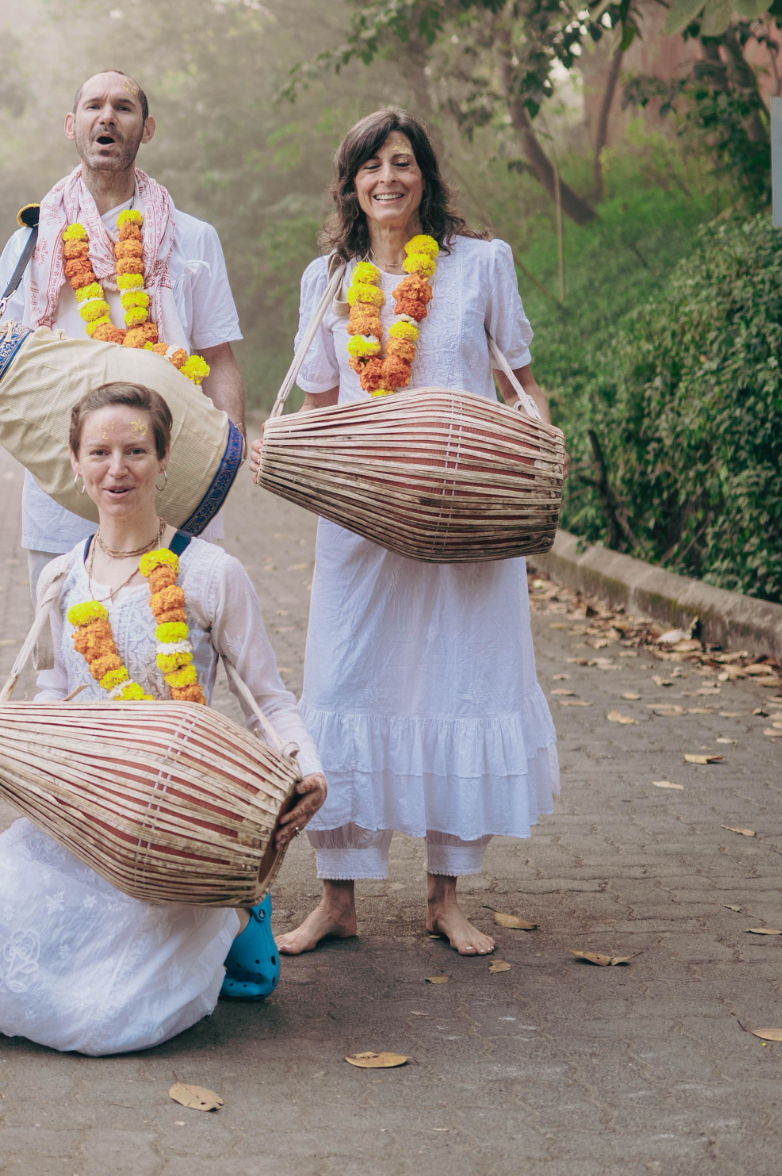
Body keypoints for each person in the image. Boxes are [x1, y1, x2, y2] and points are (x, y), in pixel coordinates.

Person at [0, 382, 326, 1056]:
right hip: (85, 808)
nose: (117, 468)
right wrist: (23, 743)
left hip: (178, 822)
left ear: (164, 461)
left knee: (109, 1017)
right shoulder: (59, 580)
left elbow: (269, 701)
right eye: (99, 452)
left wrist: (307, 772)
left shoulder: (213, 573)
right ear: (75, 464)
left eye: (135, 450)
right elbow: (52, 692)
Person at [267, 110, 558, 959]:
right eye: (370, 166)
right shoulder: (328, 278)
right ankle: (337, 902)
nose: (387, 179)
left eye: (402, 163)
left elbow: (522, 386)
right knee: (347, 680)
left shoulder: (479, 267)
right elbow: (319, 405)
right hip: (360, 523)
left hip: (466, 517)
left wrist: (528, 456)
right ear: (350, 183)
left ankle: (445, 899)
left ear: (425, 176)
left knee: (460, 683)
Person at [0, 71, 246, 588]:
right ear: (72, 126)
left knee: (181, 652)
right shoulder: (31, 241)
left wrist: (229, 450)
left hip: (174, 474)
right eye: (93, 106)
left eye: (123, 107)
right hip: (62, 489)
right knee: (66, 660)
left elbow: (218, 356)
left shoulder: (194, 238)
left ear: (147, 128)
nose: (107, 116)